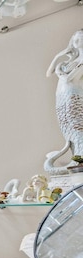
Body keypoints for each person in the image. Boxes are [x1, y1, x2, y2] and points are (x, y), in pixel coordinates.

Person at [44, 30, 83, 175]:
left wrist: (61, 71)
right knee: (68, 130)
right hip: (62, 97)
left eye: (81, 38)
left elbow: (67, 79)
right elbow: (49, 73)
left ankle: (79, 161)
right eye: (76, 39)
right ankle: (77, 159)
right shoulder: (70, 61)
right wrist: (57, 57)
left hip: (74, 97)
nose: (77, 41)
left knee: (77, 128)